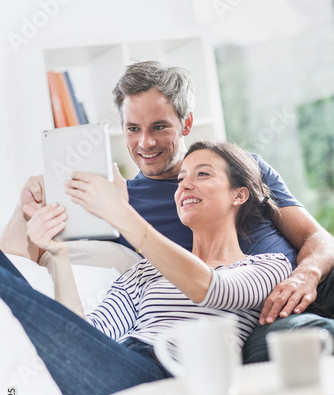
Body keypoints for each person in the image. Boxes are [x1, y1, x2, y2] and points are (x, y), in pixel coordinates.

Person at [1, 61, 334, 356]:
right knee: (305, 336)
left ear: (186, 123)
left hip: (304, 282)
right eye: (133, 129)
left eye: (159, 127)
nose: (145, 143)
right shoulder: (120, 200)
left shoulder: (241, 168)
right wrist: (25, 205)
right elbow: (14, 261)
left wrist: (306, 274)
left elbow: (317, 238)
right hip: (254, 318)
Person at [0, 141, 292, 395]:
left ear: (239, 194)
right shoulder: (145, 269)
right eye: (181, 180)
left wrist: (120, 213)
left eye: (202, 174)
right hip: (114, 361)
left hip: (160, 379)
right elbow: (86, 333)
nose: (185, 185)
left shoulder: (268, 266)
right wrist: (59, 254)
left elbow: (208, 288)